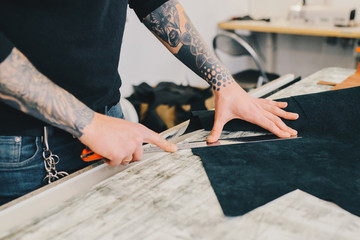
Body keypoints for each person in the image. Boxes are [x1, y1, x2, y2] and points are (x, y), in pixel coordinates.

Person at [0, 0, 298, 205]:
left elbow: (153, 2)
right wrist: (85, 122)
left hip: (111, 122)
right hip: (22, 147)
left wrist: (224, 84)